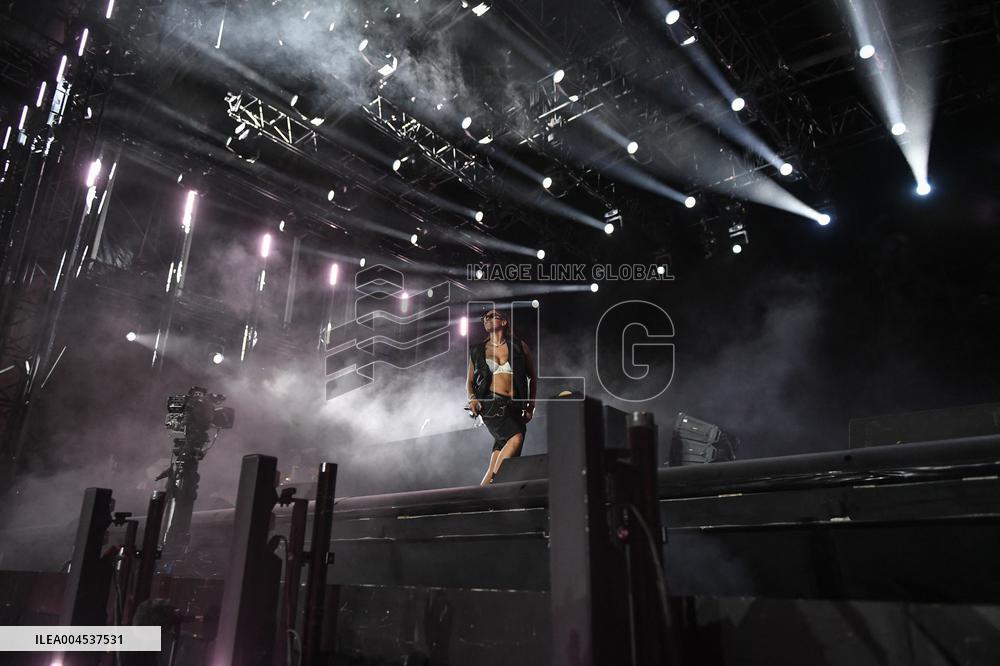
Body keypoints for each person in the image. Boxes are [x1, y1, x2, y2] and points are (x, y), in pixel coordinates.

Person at [466, 308, 537, 485]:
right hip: (491, 405)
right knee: (516, 437)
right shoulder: (478, 350)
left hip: (515, 407)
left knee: (498, 459)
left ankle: (481, 497)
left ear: (504, 322)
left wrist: (530, 405)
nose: (487, 319)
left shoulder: (519, 346)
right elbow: (469, 381)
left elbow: (533, 377)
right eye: (485, 317)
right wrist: (473, 398)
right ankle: (496, 484)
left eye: (492, 316)